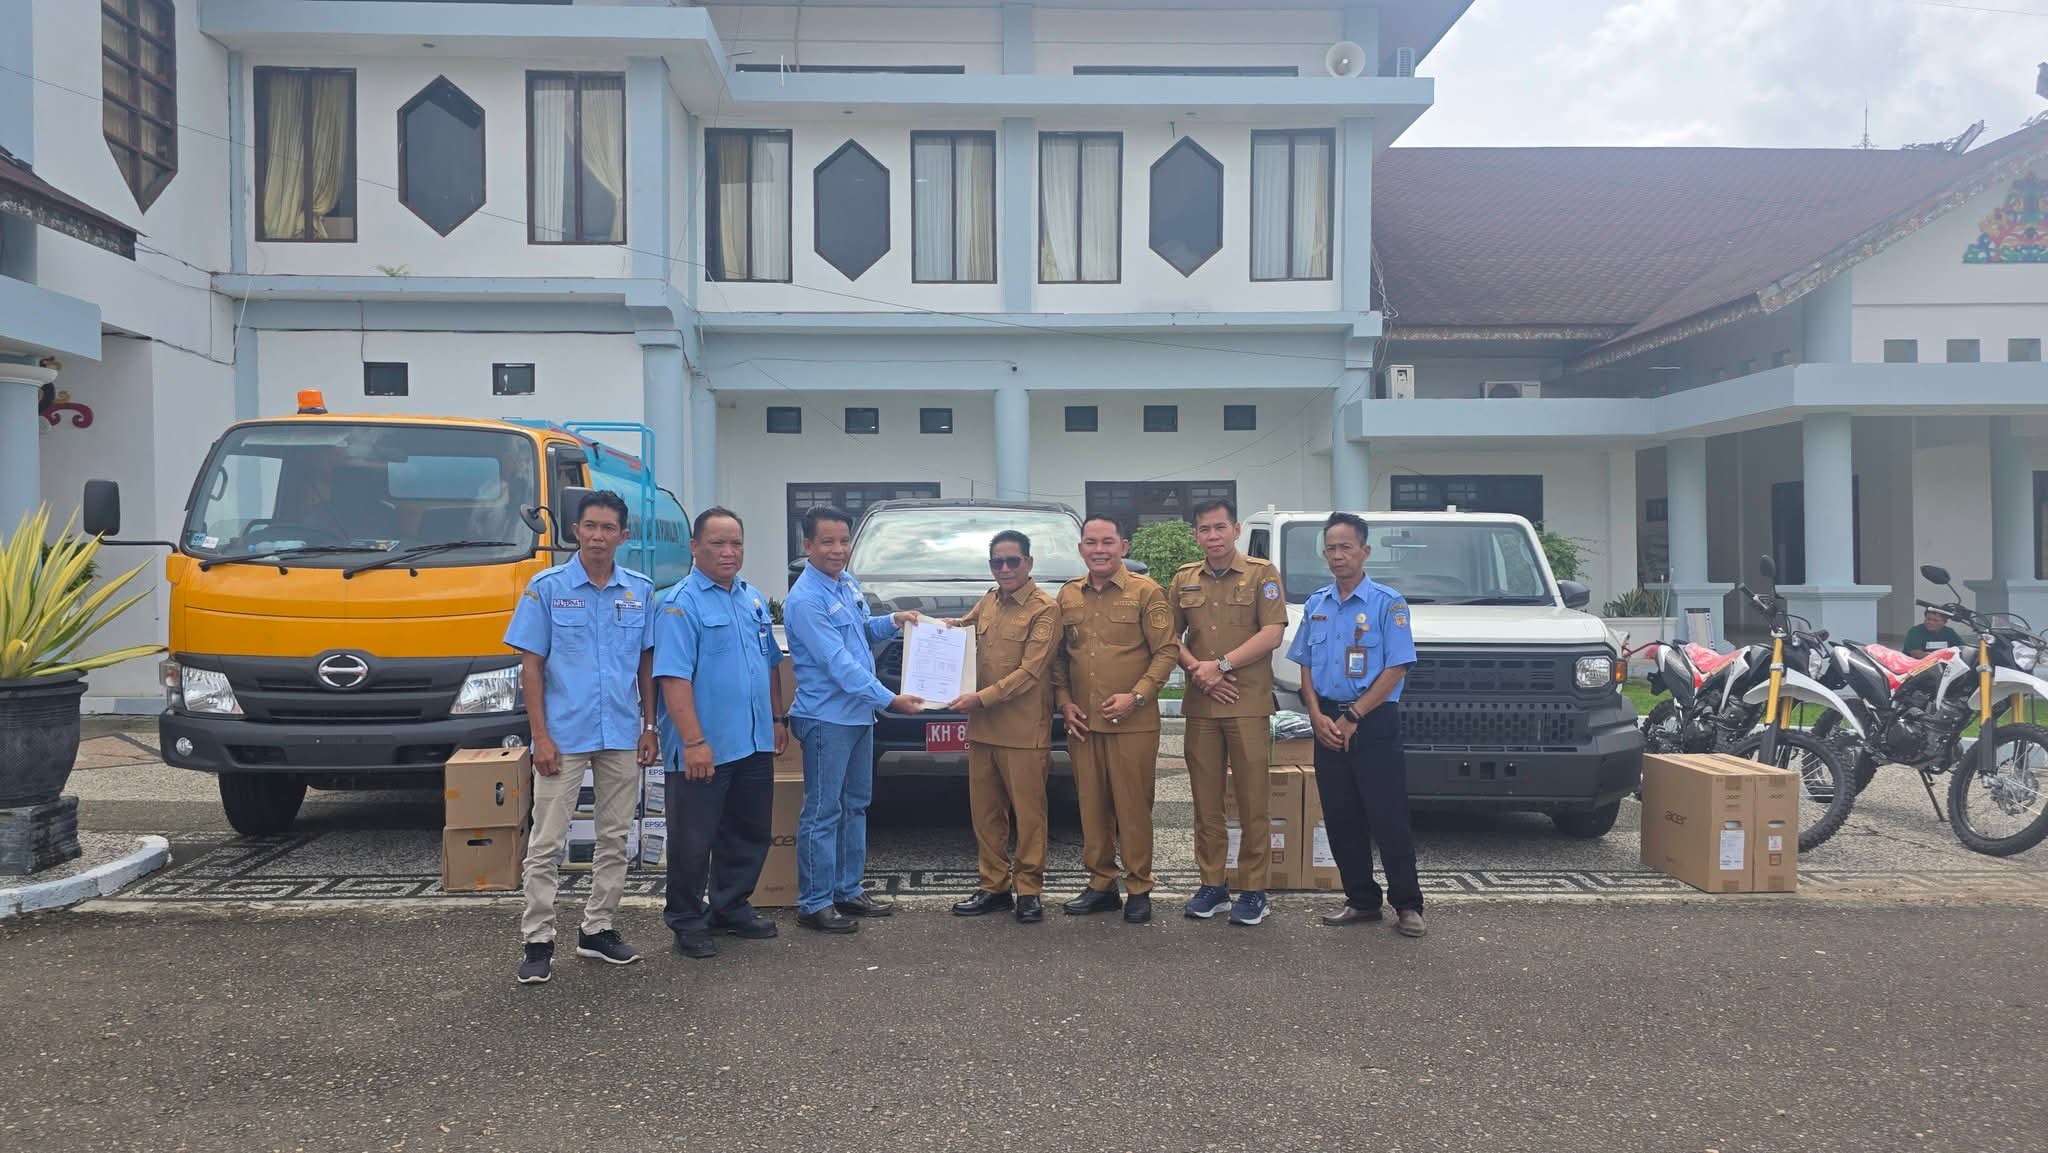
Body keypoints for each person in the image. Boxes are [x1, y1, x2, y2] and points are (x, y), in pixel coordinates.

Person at [507, 489, 660, 984]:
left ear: (623, 535)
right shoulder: (546, 588)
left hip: (621, 731)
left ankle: (598, 929)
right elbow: (531, 666)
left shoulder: (639, 591)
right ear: (575, 531)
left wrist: (649, 726)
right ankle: (538, 940)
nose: (598, 536)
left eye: (608, 528)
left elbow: (646, 664)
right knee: (546, 842)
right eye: (590, 526)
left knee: (614, 838)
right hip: (563, 735)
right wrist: (540, 736)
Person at [653, 507, 790, 959]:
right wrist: (693, 742)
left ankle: (730, 907)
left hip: (752, 742)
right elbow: (673, 678)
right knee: (693, 840)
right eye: (718, 543)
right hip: (704, 747)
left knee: (749, 831)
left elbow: (770, 664)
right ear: (695, 547)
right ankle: (687, 919)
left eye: (736, 543)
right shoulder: (679, 604)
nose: (729, 552)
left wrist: (777, 720)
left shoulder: (752, 599)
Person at [782, 506, 924, 934]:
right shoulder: (806, 600)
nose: (837, 549)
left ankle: (847, 889)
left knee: (856, 805)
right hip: (827, 719)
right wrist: (890, 699)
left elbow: (860, 630)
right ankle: (815, 902)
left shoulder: (845, 583)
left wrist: (894, 621)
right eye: (827, 541)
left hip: (858, 716)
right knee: (823, 811)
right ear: (807, 545)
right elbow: (838, 664)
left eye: (844, 541)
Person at [1288, 513, 1424, 939]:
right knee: (1341, 815)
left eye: (1346, 547)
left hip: (1372, 720)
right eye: (1330, 548)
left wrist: (1353, 717)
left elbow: (1397, 667)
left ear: (1365, 551)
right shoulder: (1317, 604)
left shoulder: (1388, 603)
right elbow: (1306, 664)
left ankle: (1407, 904)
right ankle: (1361, 900)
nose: (1337, 555)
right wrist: (1315, 714)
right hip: (1327, 719)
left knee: (1388, 816)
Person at [1052, 514, 1179, 924]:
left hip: (1133, 723)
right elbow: (1058, 657)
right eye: (1091, 542)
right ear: (1081, 549)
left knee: (1133, 807)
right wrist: (1064, 701)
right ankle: (1101, 884)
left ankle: (1139, 887)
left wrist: (1137, 696)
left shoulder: (1146, 592)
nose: (1099, 550)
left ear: (1124, 546)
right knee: (1091, 806)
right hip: (1083, 723)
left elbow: (1167, 651)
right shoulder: (1068, 595)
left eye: (1107, 542)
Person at [1170, 499, 1289, 926]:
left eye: (1220, 527)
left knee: (1254, 801)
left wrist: (1220, 666)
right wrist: (1198, 671)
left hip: (1247, 703)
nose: (1213, 536)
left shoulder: (1261, 573)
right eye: (1204, 529)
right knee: (1206, 803)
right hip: (1202, 705)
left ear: (1236, 529)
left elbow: (1272, 633)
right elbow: (1169, 636)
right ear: (1196, 535)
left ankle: (1254, 891)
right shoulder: (1184, 578)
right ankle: (1213, 885)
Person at [945, 530, 1062, 924]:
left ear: (1029, 563)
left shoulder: (1045, 609)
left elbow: (1031, 672)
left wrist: (980, 698)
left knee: (1029, 817)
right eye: (998, 562)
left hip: (1023, 731)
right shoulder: (989, 601)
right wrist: (926, 630)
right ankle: (993, 886)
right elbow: (960, 631)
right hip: (983, 730)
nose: (1006, 568)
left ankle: (1028, 890)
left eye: (1013, 561)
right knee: (986, 815)